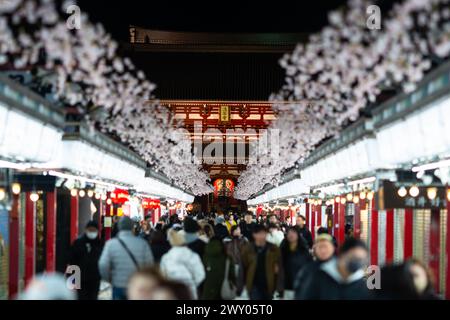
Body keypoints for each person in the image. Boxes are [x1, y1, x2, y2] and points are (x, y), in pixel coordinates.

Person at [98, 216, 155, 300]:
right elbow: (150, 265)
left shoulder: (111, 244)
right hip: (137, 286)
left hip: (118, 284)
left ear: (119, 227)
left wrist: (110, 279)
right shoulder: (143, 244)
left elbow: (103, 265)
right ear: (132, 227)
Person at [297, 237, 371, 300]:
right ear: (342, 255)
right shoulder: (318, 276)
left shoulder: (362, 287)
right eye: (353, 257)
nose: (357, 262)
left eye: (361, 259)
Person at [241, 224, 284, 300]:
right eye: (259, 233)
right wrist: (240, 285)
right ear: (254, 235)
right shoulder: (248, 249)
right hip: (253, 284)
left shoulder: (274, 248)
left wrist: (280, 287)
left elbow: (279, 268)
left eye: (263, 233)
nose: (261, 236)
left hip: (269, 284)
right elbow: (243, 267)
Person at [160, 229, 205, 299]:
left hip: (173, 291)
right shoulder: (193, 255)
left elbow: (163, 275)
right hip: (190, 290)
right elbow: (201, 274)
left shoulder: (166, 258)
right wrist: (193, 283)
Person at [293, 233, 336, 299]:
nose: (323, 250)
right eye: (320, 247)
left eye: (325, 246)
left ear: (333, 248)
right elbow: (299, 291)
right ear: (315, 249)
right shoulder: (307, 269)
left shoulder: (341, 268)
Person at [68, 220, 103, 300]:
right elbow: (72, 261)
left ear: (97, 231)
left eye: (94, 230)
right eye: (90, 230)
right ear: (86, 230)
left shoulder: (100, 244)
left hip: (94, 280)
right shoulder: (78, 243)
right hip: (80, 279)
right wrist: (71, 282)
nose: (92, 232)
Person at [280, 227, 312, 299]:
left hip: (301, 285)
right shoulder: (282, 249)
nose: (291, 235)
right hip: (286, 286)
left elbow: (309, 268)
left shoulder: (304, 250)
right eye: (289, 233)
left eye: (293, 233)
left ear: (298, 235)